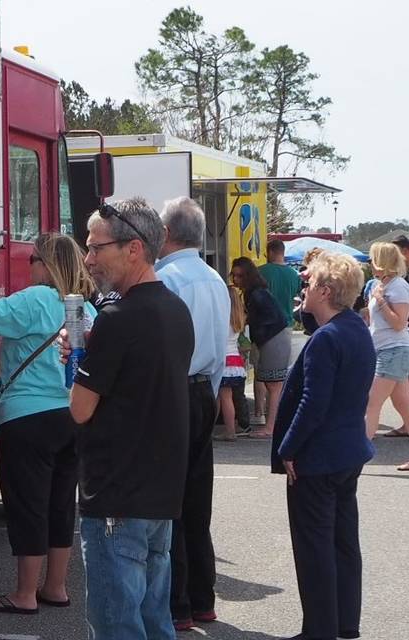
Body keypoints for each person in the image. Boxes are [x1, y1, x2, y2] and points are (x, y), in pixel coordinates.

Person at [68, 198, 194, 640]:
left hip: (116, 499)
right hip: (159, 496)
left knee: (117, 625)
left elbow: (80, 408)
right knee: (155, 621)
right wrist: (87, 358)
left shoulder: (117, 318)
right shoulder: (177, 312)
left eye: (96, 248)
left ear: (133, 248)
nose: (89, 259)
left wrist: (79, 363)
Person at [0, 233, 96, 615]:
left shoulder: (36, 298)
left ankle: (24, 594)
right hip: (70, 416)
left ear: (47, 264)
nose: (29, 264)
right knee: (59, 504)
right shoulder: (85, 310)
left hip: (27, 417)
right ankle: (56, 586)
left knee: (27, 506)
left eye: (33, 258)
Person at [270, 252, 375, 640]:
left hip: (319, 457)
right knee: (343, 542)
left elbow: (314, 402)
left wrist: (288, 448)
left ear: (327, 290)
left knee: (314, 547)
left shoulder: (326, 338)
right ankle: (345, 624)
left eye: (310, 282)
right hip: (349, 452)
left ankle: (319, 629)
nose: (304, 287)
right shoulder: (355, 329)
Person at [153, 197, 230, 632]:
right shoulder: (215, 280)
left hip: (176, 390)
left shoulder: (167, 278)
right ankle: (203, 598)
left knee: (171, 502)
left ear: (166, 233)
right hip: (204, 390)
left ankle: (179, 603)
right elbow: (221, 348)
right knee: (198, 502)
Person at [231, 257, 291, 439]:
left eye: (239, 276)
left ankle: (271, 427)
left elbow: (270, 319)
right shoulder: (257, 292)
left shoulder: (255, 294)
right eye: (234, 275)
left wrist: (254, 337)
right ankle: (272, 424)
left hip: (273, 340)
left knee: (273, 385)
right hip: (275, 339)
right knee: (273, 384)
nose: (236, 279)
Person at [363, 242, 409, 448]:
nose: (369, 264)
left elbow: (399, 323)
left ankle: (358, 452)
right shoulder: (379, 284)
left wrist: (381, 301)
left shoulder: (398, 286)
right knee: (404, 405)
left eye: (371, 259)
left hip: (393, 349)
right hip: (385, 349)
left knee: (372, 402)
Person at [254, 240, 302, 426]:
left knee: (260, 370)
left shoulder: (262, 271)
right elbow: (298, 297)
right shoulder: (294, 274)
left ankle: (259, 412)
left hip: (263, 327)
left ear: (270, 251)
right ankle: (274, 412)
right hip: (286, 325)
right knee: (280, 373)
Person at [216, 286, 248, 442]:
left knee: (223, 397)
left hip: (224, 361)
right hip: (235, 361)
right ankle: (229, 429)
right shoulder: (237, 319)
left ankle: (229, 431)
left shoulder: (222, 320)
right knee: (225, 397)